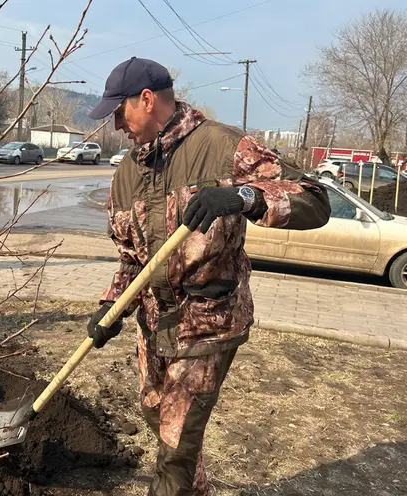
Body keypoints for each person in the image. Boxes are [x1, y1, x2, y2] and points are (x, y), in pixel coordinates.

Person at [86, 57, 330, 496]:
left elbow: (315, 201)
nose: (118, 126)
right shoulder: (126, 174)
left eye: (119, 113)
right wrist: (110, 306)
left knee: (176, 443)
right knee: (156, 416)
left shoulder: (223, 146)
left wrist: (244, 196)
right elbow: (131, 260)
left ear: (146, 100)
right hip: (155, 323)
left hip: (208, 321)